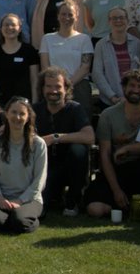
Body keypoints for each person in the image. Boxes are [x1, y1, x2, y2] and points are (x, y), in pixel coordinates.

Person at [86, 70, 140, 220]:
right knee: (95, 210)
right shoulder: (108, 115)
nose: (135, 90)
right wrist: (116, 190)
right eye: (131, 85)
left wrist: (129, 148)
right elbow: (104, 155)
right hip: (117, 170)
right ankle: (127, 204)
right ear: (124, 88)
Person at [34, 67, 95, 216]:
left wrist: (56, 137)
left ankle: (72, 201)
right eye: (49, 86)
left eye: (58, 86)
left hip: (71, 166)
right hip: (46, 168)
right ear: (42, 88)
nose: (53, 91)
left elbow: (89, 137)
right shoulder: (35, 110)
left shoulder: (75, 109)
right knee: (40, 210)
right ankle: (53, 195)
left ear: (66, 88)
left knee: (78, 149)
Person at [0, 97, 47, 234]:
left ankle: (29, 215)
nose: (17, 117)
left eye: (22, 114)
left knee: (19, 222)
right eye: (13, 112)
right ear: (6, 114)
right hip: (2, 197)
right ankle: (15, 216)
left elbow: (39, 180)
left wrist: (20, 201)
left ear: (28, 117)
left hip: (29, 198)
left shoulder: (38, 144)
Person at [39, 2, 94, 109]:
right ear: (58, 16)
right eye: (63, 14)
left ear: (76, 17)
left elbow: (85, 67)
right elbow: (45, 66)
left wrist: (68, 84)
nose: (67, 18)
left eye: (70, 14)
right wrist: (58, 85)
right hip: (53, 87)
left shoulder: (84, 39)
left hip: (79, 86)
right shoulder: (47, 39)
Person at [92, 7, 140, 106]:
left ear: (127, 21)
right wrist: (113, 97)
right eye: (114, 18)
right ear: (109, 22)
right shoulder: (101, 45)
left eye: (121, 17)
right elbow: (97, 74)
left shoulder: (138, 44)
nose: (118, 21)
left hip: (134, 99)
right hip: (109, 101)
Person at [0, 14, 40, 103]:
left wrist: (35, 102)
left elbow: (35, 80)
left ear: (20, 29)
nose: (9, 27)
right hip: (0, 103)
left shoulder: (29, 51)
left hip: (23, 102)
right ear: (1, 29)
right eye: (6, 25)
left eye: (13, 25)